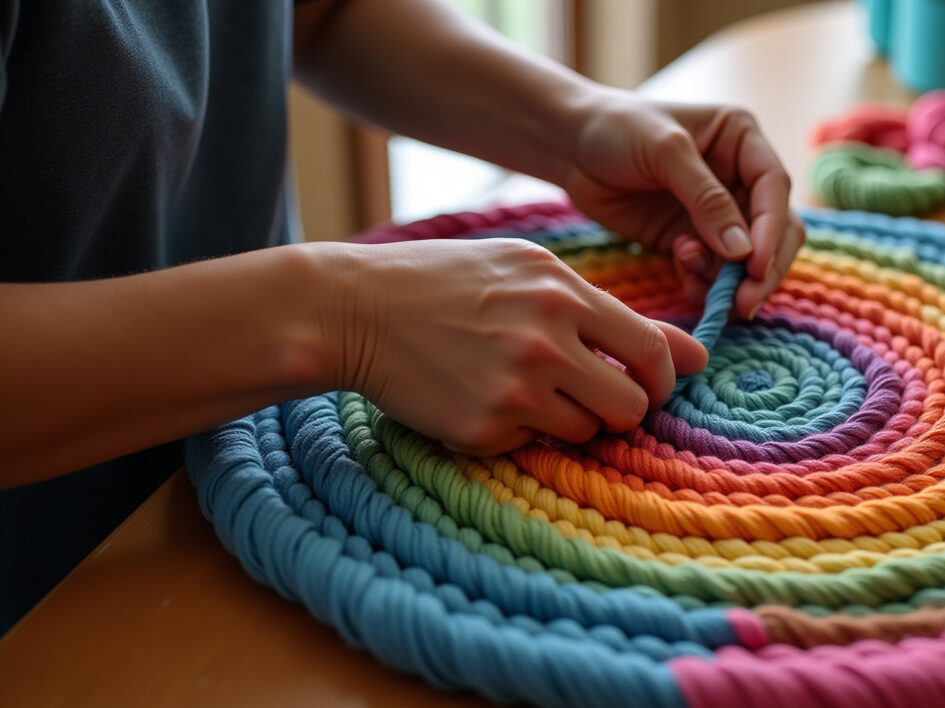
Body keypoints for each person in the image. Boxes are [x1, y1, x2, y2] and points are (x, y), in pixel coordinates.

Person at [0, 0, 803, 632]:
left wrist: (576, 122)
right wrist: (344, 316)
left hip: (265, 474)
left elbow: (321, 10)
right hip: (55, 602)